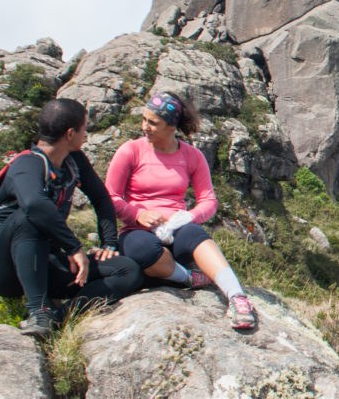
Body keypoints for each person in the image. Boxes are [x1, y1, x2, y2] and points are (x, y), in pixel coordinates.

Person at [0, 98, 144, 338]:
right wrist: (74, 247)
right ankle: (39, 312)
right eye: (84, 128)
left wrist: (109, 244)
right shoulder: (26, 164)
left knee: (128, 270)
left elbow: (101, 199)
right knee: (29, 217)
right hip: (2, 268)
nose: (86, 134)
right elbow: (34, 205)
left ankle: (58, 318)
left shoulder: (74, 161)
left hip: (44, 260)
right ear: (70, 133)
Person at [105, 91, 257, 330]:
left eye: (153, 122)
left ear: (171, 126)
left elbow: (208, 201)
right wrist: (138, 214)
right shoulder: (131, 151)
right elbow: (110, 197)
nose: (145, 127)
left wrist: (186, 217)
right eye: (144, 119)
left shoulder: (192, 156)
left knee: (195, 235)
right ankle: (188, 278)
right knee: (143, 249)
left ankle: (237, 297)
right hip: (138, 232)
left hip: (176, 230)